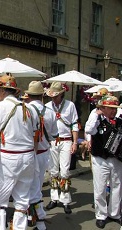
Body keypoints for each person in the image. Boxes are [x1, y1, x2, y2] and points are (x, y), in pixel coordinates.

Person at [0, 75, 39, 230]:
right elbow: (35, 137)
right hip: (28, 157)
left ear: (2, 90)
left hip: (8, 157)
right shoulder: (29, 108)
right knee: (22, 200)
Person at [24, 81, 58, 230]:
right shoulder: (50, 112)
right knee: (35, 186)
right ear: (42, 95)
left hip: (29, 154)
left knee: (28, 188)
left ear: (29, 95)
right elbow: (54, 135)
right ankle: (33, 218)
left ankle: (37, 220)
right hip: (44, 153)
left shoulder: (25, 110)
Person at [85, 95, 122, 229]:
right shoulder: (97, 120)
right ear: (103, 108)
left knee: (117, 186)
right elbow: (89, 130)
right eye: (111, 108)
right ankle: (101, 215)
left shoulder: (119, 120)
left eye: (115, 108)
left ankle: (115, 213)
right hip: (100, 158)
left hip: (116, 159)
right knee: (100, 188)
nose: (113, 111)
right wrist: (96, 113)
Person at [45, 81, 79, 214]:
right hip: (52, 142)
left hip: (66, 141)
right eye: (51, 96)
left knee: (64, 171)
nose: (53, 98)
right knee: (53, 171)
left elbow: (75, 124)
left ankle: (65, 200)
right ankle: (54, 199)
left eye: (55, 95)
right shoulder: (47, 106)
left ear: (61, 94)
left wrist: (75, 142)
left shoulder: (70, 105)